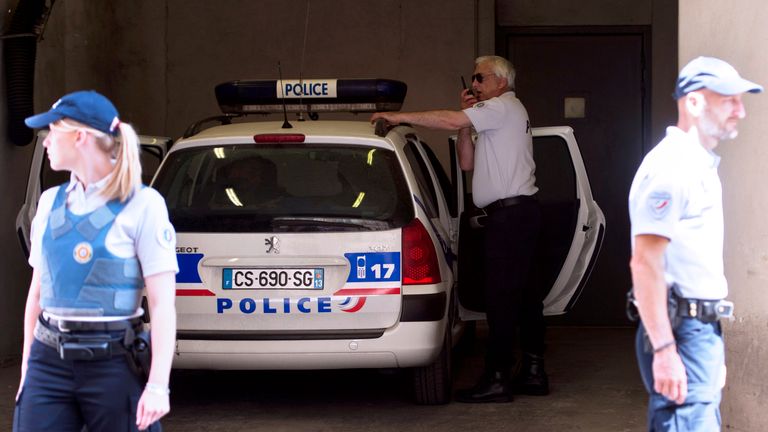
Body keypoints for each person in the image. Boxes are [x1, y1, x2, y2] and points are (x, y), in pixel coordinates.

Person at [371, 55, 546, 403]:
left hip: (511, 218)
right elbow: (466, 161)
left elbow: (449, 120)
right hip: (515, 216)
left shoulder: (502, 107)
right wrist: (467, 124)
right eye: (473, 79)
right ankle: (532, 371)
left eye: (479, 78)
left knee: (501, 299)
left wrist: (398, 117)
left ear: (500, 80)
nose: (474, 86)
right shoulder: (496, 116)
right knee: (524, 298)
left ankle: (497, 378)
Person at [13, 90, 179, 431]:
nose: (44, 143)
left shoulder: (144, 205)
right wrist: (27, 367)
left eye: (50, 132)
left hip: (114, 362)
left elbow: (163, 304)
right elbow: (36, 294)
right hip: (49, 360)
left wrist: (158, 385)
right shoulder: (48, 203)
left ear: (80, 137)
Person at [628, 57, 762, 430]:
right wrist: (666, 350)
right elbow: (645, 263)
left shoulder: (696, 164)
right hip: (681, 329)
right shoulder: (673, 168)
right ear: (694, 103)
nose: (740, 111)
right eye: (729, 100)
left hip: (698, 328)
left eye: (741, 100)